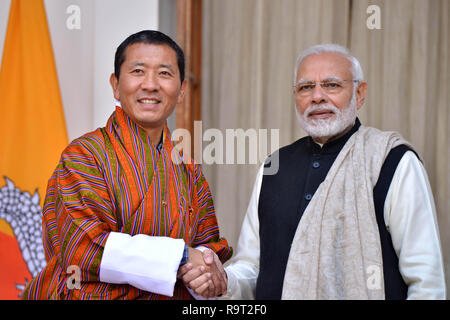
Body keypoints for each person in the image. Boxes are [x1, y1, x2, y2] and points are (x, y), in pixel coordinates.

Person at [179, 44, 446, 300]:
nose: (317, 96)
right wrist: (222, 279)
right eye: (306, 87)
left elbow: (426, 283)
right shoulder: (274, 166)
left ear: (360, 93)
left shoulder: (392, 161)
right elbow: (253, 268)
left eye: (332, 85)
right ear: (296, 97)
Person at [22, 30, 232, 300]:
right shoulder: (84, 156)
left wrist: (204, 271)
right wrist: (180, 257)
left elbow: (207, 245)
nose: (150, 84)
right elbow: (84, 248)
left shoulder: (187, 168)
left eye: (165, 73)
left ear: (181, 91)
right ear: (116, 85)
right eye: (138, 71)